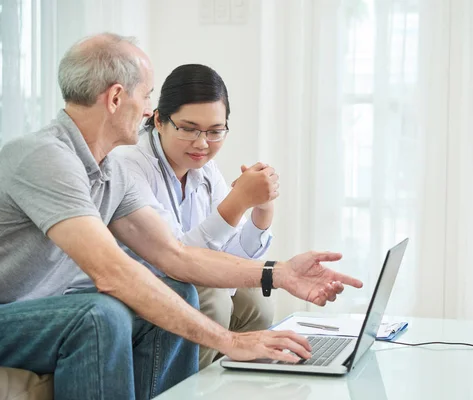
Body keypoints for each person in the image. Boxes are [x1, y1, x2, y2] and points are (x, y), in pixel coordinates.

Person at [0, 33, 363, 400]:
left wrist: (279, 273)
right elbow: (112, 274)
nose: (147, 110)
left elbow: (176, 255)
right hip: (13, 316)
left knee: (178, 290)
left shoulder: (112, 172)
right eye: (145, 95)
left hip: (50, 313)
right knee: (99, 314)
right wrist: (229, 340)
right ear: (114, 98)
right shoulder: (44, 157)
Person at [112, 64, 277, 369]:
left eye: (215, 131)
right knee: (210, 300)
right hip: (144, 284)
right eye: (188, 129)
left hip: (179, 276)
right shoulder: (128, 166)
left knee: (256, 300)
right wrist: (237, 202)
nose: (202, 143)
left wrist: (261, 210)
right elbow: (175, 258)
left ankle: (230, 387)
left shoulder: (202, 167)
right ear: (159, 120)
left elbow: (230, 256)